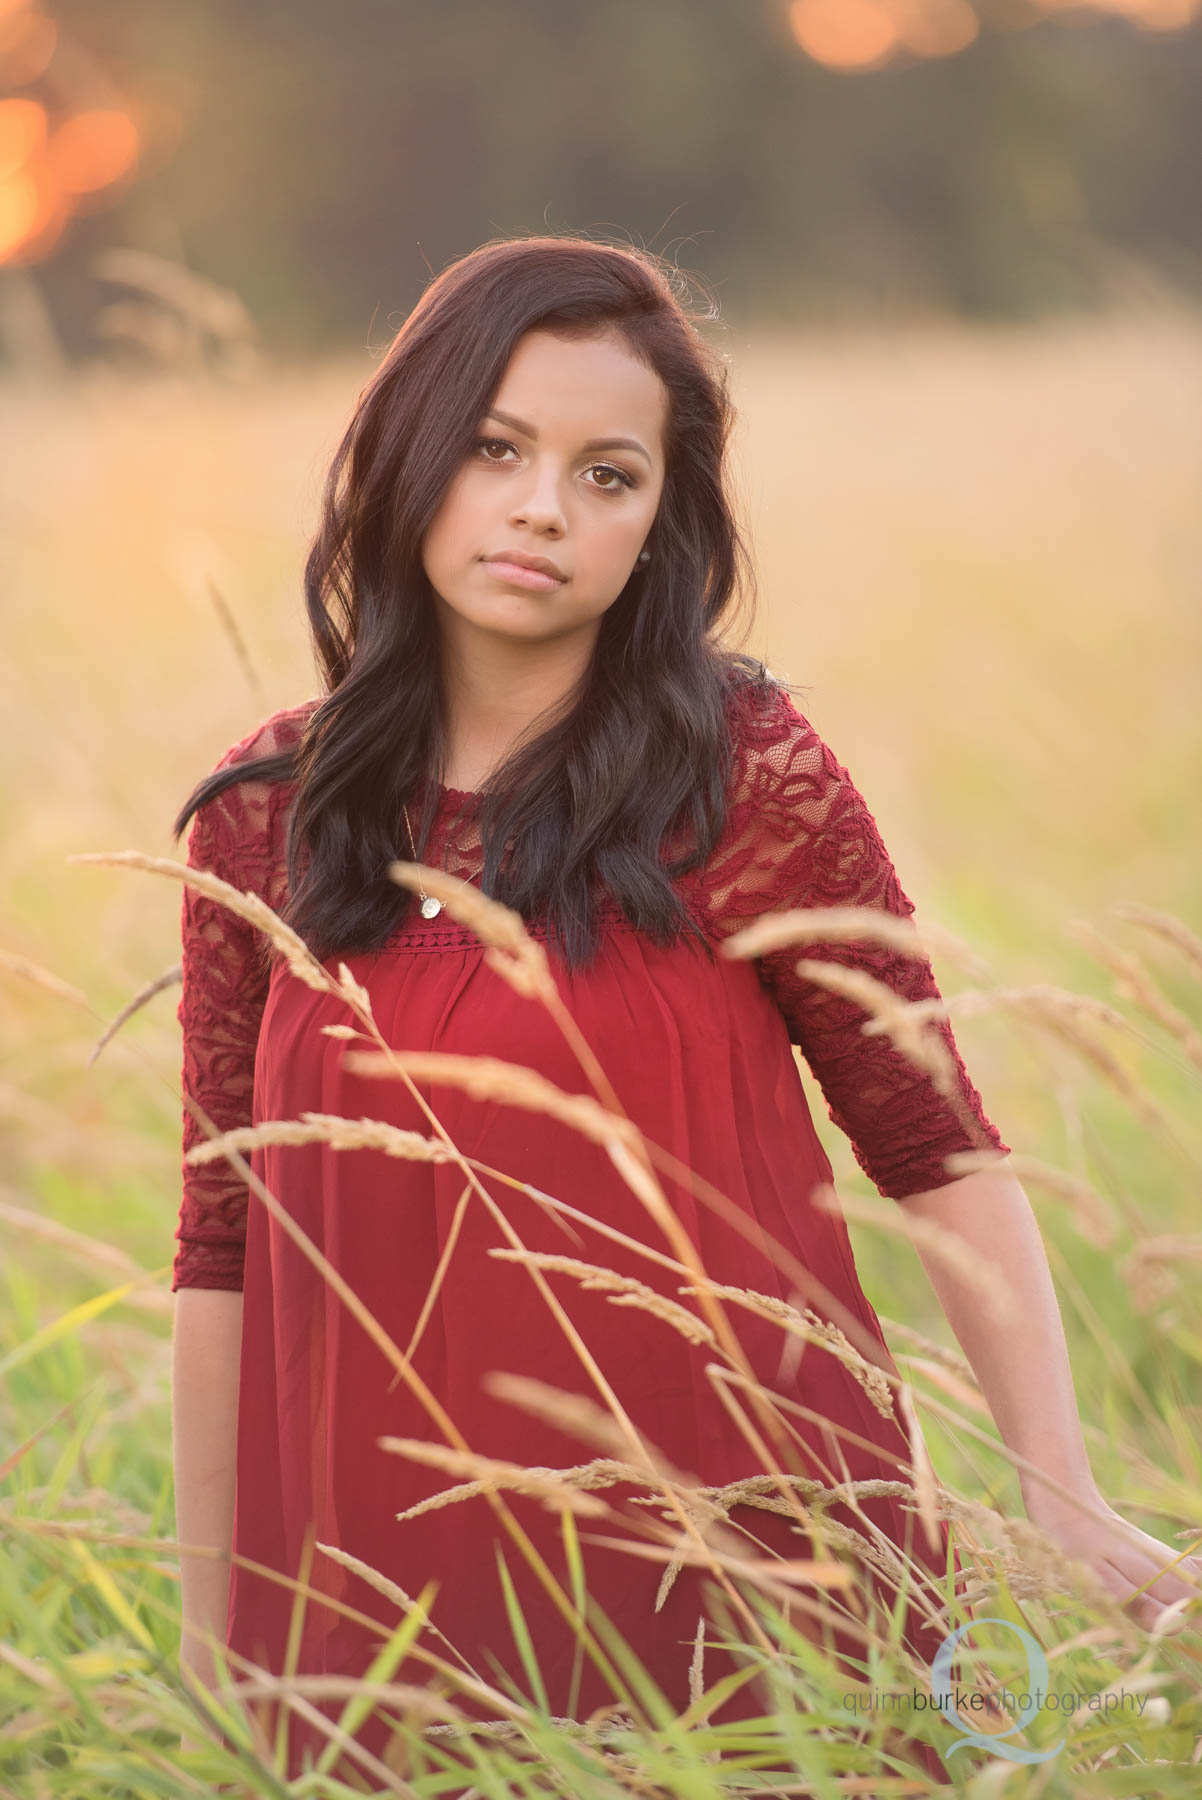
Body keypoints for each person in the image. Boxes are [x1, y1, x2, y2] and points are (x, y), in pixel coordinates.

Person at [170, 235, 1198, 1790]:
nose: (541, 509)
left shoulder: (740, 775)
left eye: (608, 475)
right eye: (496, 448)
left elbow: (935, 1144)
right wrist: (211, 1636)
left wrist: (1054, 1481)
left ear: (660, 521)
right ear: (405, 453)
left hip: (749, 1591)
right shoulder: (269, 819)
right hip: (379, 1611)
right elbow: (221, 1245)